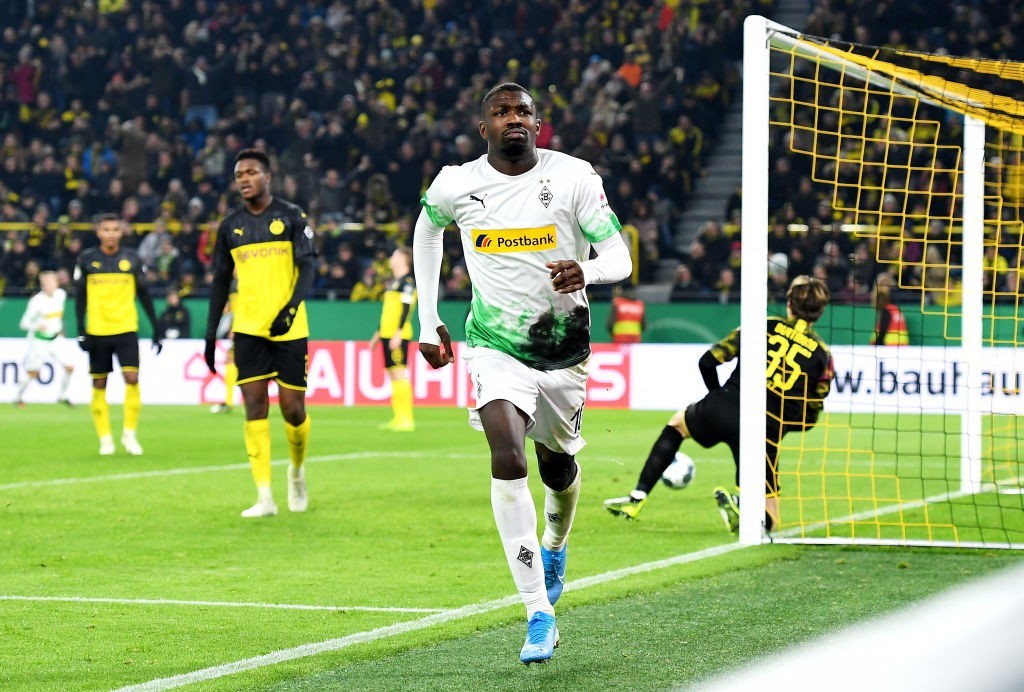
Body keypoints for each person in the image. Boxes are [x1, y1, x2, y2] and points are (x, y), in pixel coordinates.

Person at [413, 82, 632, 664]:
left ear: (538, 124)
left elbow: (620, 257)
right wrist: (428, 318)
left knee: (557, 467)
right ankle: (538, 612)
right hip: (493, 347)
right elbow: (426, 231)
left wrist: (587, 270)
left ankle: (555, 542)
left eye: (524, 111)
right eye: (501, 111)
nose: (514, 118)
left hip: (564, 352)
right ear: (483, 127)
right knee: (507, 456)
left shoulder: (574, 177)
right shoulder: (456, 183)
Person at [604, 275, 834, 534]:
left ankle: (637, 497)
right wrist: (782, 426)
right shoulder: (823, 355)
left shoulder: (761, 326)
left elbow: (707, 361)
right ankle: (741, 505)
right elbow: (812, 412)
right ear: (820, 311)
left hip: (723, 406)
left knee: (677, 425)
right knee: (771, 515)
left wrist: (717, 396)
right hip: (765, 429)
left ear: (789, 302)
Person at [203, 148, 316, 518]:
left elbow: (308, 267)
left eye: (251, 172)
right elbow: (220, 280)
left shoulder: (292, 216)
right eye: (239, 175)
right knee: (254, 406)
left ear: (268, 176)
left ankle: (296, 471)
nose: (245, 179)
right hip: (248, 328)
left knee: (292, 409)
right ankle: (264, 496)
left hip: (289, 326)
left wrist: (291, 309)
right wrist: (210, 334)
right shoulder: (230, 226)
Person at [73, 213, 164, 456]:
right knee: (99, 383)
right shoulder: (86, 260)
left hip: (126, 329)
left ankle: (129, 434)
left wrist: (156, 327)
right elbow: (80, 297)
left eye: (115, 229)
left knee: (132, 378)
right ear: (98, 232)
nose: (111, 234)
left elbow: (144, 294)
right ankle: (105, 439)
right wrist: (80, 329)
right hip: (97, 330)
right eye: (107, 229)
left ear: (121, 232)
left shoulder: (132, 259)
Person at [368, 245, 417, 431]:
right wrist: (377, 334)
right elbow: (388, 312)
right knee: (392, 375)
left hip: (398, 335)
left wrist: (398, 332)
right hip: (387, 334)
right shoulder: (394, 283)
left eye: (395, 255)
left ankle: (406, 419)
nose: (391, 258)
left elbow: (406, 309)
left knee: (399, 373)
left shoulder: (407, 283)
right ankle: (398, 417)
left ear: (404, 259)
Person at [16, 270, 76, 406]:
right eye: (44, 283)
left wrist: (61, 332)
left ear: (56, 283)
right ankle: (18, 396)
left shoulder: (61, 295)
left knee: (70, 367)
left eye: (49, 282)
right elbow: (23, 324)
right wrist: (37, 325)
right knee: (32, 373)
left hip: (55, 339)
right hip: (39, 341)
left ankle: (62, 395)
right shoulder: (36, 301)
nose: (46, 286)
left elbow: (57, 318)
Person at [210, 278, 239, 414]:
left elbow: (244, 308)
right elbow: (229, 309)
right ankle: (229, 401)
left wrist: (235, 328)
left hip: (245, 329)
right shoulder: (233, 284)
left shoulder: (243, 282)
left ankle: (230, 401)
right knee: (231, 361)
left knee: (234, 362)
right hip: (243, 328)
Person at [870, 275, 909, 345]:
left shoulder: (888, 310)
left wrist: (876, 344)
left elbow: (883, 330)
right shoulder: (896, 309)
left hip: (888, 346)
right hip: (902, 346)